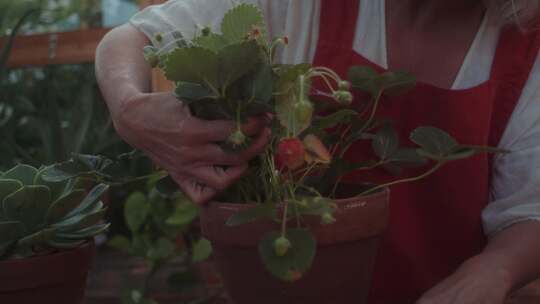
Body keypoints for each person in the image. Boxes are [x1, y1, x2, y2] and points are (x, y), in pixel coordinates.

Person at [95, 0, 540, 303]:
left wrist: (493, 271)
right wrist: (129, 109)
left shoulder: (527, 44)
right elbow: (130, 39)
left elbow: (529, 209)